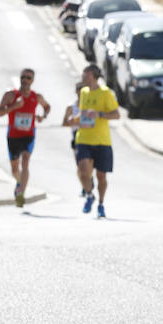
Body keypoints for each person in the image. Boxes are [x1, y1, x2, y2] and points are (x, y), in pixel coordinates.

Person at [0, 68, 50, 207]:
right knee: (14, 168)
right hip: (13, 136)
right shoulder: (11, 96)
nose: (25, 80)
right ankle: (19, 182)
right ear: (20, 78)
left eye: (28, 78)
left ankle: (21, 194)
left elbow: (47, 106)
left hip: (28, 135)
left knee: (25, 161)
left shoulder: (36, 97)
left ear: (33, 81)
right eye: (23, 77)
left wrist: (43, 117)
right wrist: (13, 107)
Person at [75, 63, 120, 218]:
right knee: (82, 171)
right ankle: (89, 195)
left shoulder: (105, 93)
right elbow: (81, 113)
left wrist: (99, 115)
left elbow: (116, 114)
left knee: (101, 176)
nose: (82, 77)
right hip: (84, 138)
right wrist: (76, 119)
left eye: (85, 75)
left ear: (93, 76)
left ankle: (100, 203)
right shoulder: (84, 93)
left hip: (102, 140)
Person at [62, 81, 92, 198]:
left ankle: (89, 181)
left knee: (90, 165)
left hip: (91, 137)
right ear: (76, 91)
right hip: (77, 137)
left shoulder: (91, 106)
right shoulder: (72, 107)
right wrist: (75, 121)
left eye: (83, 88)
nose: (81, 91)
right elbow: (64, 123)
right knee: (80, 165)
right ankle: (85, 187)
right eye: (79, 88)